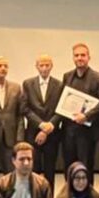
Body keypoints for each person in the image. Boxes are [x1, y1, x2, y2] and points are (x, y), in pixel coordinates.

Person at [60, 43, 99, 177]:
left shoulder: (98, 78)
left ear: (88, 57)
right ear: (73, 58)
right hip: (69, 131)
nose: (79, 58)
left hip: (87, 132)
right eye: (76, 55)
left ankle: (87, 191)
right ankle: (69, 191)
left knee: (86, 167)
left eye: (83, 55)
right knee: (68, 166)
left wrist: (86, 116)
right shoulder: (67, 76)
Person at [20, 54, 64, 187]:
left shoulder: (59, 85)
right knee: (33, 168)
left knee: (50, 170)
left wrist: (48, 127)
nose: (44, 68)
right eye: (41, 65)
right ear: (37, 67)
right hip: (33, 133)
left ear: (51, 66)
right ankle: (34, 197)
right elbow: (25, 109)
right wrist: (41, 125)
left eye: (47, 65)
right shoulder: (28, 84)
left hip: (52, 134)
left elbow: (61, 109)